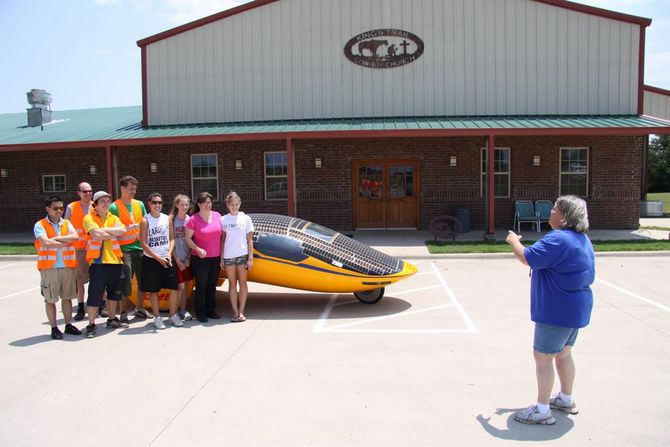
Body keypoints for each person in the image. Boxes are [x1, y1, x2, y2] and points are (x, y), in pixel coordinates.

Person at [505, 195, 595, 425]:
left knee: (543, 357)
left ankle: (542, 410)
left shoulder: (557, 239)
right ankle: (565, 399)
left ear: (564, 216)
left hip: (556, 309)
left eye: (554, 208)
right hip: (575, 308)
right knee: (564, 354)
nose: (551, 211)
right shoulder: (581, 238)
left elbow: (527, 258)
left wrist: (515, 241)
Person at [34, 196, 82, 339]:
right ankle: (54, 328)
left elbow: (75, 238)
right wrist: (63, 241)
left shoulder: (66, 223)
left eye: (61, 208)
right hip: (49, 269)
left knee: (67, 298)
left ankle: (68, 325)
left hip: (67, 267)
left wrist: (54, 240)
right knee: (50, 300)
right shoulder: (40, 225)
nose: (59, 211)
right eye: (56, 208)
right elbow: (45, 243)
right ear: (47, 209)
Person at [82, 191, 127, 338]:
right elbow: (96, 234)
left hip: (115, 261)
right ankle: (91, 324)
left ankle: (112, 319)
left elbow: (122, 230)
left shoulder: (113, 217)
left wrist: (105, 231)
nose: (107, 204)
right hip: (98, 263)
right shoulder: (89, 218)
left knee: (114, 294)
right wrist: (111, 233)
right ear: (95, 204)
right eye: (103, 201)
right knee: (95, 294)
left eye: (108, 201)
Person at [139, 192, 183, 329]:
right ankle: (157, 318)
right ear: (149, 204)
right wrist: (157, 258)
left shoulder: (166, 219)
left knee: (174, 288)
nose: (157, 205)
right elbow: (143, 243)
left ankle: (172, 315)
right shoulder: (145, 220)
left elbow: (172, 238)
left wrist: (169, 254)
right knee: (154, 290)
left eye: (159, 202)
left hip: (166, 259)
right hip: (152, 260)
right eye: (154, 203)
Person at [109, 175, 149, 323]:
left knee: (142, 281)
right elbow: (112, 228)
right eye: (130, 189)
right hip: (125, 249)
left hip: (140, 247)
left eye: (135, 189)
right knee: (127, 281)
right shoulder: (114, 207)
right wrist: (127, 229)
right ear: (122, 188)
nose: (133, 191)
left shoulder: (139, 204)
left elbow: (145, 223)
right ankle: (123, 312)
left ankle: (139, 308)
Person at [184, 192, 222, 323]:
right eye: (205, 202)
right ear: (199, 204)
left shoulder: (217, 216)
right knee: (201, 286)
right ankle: (201, 312)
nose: (208, 205)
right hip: (200, 259)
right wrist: (197, 249)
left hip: (215, 257)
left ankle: (211, 310)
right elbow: (187, 239)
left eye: (210, 202)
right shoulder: (193, 220)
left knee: (212, 285)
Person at [220, 191, 254, 322]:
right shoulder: (223, 220)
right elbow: (222, 240)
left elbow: (249, 240)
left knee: (243, 283)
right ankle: (235, 312)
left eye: (236, 204)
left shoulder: (245, 218)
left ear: (239, 204)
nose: (234, 206)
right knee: (232, 283)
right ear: (228, 205)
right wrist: (221, 257)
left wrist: (250, 258)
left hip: (242, 255)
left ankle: (242, 311)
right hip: (229, 256)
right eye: (232, 204)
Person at [65, 181, 93, 321]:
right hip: (79, 249)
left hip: (95, 248)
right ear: (78, 193)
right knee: (80, 281)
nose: (88, 193)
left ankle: (100, 305)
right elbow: (65, 227)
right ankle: (81, 307)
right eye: (84, 191)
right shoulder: (71, 207)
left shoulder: (96, 206)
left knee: (97, 279)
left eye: (89, 191)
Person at [169, 194, 193, 321]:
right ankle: (177, 311)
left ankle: (183, 310)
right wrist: (177, 260)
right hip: (176, 258)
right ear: (176, 205)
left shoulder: (189, 220)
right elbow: (170, 241)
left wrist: (188, 257)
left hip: (186, 258)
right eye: (182, 204)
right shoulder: (171, 220)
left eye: (187, 205)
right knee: (180, 286)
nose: (185, 207)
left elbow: (192, 240)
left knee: (186, 286)